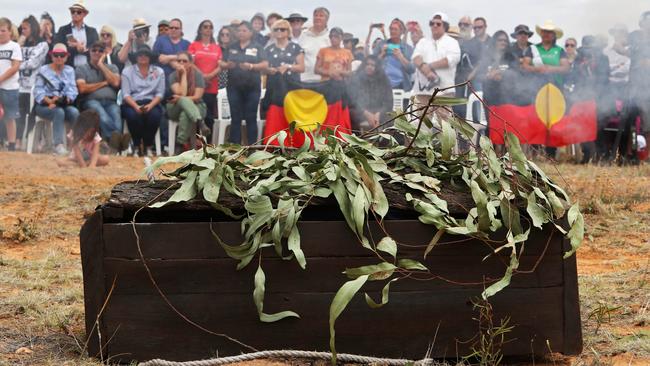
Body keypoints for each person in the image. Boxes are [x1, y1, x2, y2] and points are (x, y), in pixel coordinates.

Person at [522, 20, 570, 158]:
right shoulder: (532, 49)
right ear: (541, 34)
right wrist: (538, 70)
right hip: (536, 89)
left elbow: (566, 67)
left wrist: (550, 69)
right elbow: (525, 66)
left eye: (549, 32)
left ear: (554, 35)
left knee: (553, 119)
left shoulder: (560, 51)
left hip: (555, 89)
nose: (546, 34)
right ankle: (535, 151)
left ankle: (551, 153)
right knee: (535, 118)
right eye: (544, 31)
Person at [220, 21, 267, 145]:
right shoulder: (232, 46)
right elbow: (221, 63)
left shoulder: (257, 47)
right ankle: (234, 147)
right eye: (239, 30)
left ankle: (252, 148)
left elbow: (265, 64)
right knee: (235, 117)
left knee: (251, 117)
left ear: (251, 33)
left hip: (252, 87)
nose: (241, 33)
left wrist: (251, 66)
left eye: (244, 30)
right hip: (234, 87)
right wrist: (227, 65)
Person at [566, 35, 610, 163]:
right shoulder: (578, 60)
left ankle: (601, 156)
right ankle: (586, 155)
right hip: (582, 97)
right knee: (582, 127)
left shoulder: (603, 58)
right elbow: (574, 77)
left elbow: (604, 79)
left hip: (598, 98)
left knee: (599, 127)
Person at [411, 11, 461, 121]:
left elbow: (450, 60)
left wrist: (429, 66)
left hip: (444, 91)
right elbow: (416, 57)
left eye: (438, 24)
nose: (434, 26)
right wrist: (427, 71)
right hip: (423, 91)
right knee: (422, 123)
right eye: (432, 23)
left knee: (444, 125)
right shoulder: (422, 42)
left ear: (445, 26)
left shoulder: (452, 42)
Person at [33, 43, 79, 155]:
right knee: (58, 112)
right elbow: (37, 90)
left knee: (74, 112)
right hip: (44, 104)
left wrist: (66, 99)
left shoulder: (70, 70)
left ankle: (76, 145)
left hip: (62, 103)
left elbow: (73, 89)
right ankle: (58, 145)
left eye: (62, 55)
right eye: (56, 55)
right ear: (52, 56)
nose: (59, 57)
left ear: (67, 57)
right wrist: (49, 101)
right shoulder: (43, 70)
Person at [120, 45, 165, 156]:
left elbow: (160, 93)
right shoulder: (127, 71)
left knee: (155, 116)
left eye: (146, 55)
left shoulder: (159, 71)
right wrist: (136, 107)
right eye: (140, 55)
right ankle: (136, 145)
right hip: (132, 102)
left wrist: (150, 106)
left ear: (150, 57)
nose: (143, 57)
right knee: (133, 116)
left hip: (152, 102)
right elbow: (125, 94)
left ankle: (148, 146)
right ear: (135, 57)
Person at [75, 41, 123, 145]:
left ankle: (112, 145)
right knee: (103, 117)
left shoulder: (112, 67)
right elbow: (82, 89)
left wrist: (101, 65)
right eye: (94, 50)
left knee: (116, 117)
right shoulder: (81, 68)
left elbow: (115, 82)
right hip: (91, 101)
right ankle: (117, 142)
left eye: (100, 51)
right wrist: (104, 83)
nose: (97, 53)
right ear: (89, 52)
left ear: (104, 53)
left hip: (111, 102)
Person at [17, 15, 48, 150]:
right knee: (19, 114)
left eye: (25, 28)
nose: (22, 31)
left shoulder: (42, 44)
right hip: (18, 85)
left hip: (34, 86)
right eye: (21, 28)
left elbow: (33, 63)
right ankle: (17, 140)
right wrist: (18, 45)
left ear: (33, 28)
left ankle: (34, 141)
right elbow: (12, 59)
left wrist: (16, 66)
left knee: (32, 114)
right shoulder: (19, 45)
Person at [261, 19, 305, 116]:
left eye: (282, 29)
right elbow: (263, 68)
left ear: (288, 31)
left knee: (292, 117)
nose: (279, 32)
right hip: (274, 87)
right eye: (276, 29)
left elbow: (302, 68)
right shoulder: (268, 49)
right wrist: (269, 70)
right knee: (274, 116)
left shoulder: (296, 48)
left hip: (292, 86)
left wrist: (288, 66)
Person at [167, 51, 207, 151]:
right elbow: (182, 93)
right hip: (175, 108)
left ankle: (179, 145)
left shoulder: (197, 75)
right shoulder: (172, 76)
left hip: (197, 106)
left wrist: (180, 98)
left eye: (184, 61)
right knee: (182, 101)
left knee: (185, 114)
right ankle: (199, 122)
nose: (181, 63)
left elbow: (197, 96)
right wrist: (183, 74)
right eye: (179, 61)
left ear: (190, 63)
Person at [188, 20, 222, 140]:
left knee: (209, 116)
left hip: (211, 86)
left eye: (210, 27)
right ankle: (195, 144)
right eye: (205, 27)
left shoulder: (217, 48)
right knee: (197, 115)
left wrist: (210, 75)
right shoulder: (194, 45)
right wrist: (202, 76)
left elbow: (220, 65)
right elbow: (189, 63)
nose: (208, 29)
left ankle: (209, 145)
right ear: (200, 29)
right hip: (197, 85)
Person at [347, 55, 393, 134]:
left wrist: (379, 114)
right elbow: (352, 101)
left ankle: (385, 145)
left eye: (373, 65)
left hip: (379, 111)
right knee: (350, 114)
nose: (369, 67)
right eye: (367, 64)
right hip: (361, 112)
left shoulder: (383, 80)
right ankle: (356, 144)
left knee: (392, 118)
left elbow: (389, 102)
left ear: (377, 67)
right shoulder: (356, 79)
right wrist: (366, 113)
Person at [475, 30, 518, 108]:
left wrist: (502, 74)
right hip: (490, 98)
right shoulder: (487, 57)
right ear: (494, 41)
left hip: (508, 99)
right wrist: (488, 76)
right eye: (500, 40)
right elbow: (478, 76)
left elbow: (516, 73)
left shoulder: (511, 57)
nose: (503, 42)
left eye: (505, 40)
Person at [0, 18, 23, 151]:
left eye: (3, 30)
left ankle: (12, 144)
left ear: (10, 32)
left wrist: (1, 79)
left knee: (10, 117)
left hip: (10, 87)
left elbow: (15, 67)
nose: (0, 33)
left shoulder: (14, 46)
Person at [53, 2, 99, 67]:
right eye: (73, 12)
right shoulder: (63, 30)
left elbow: (97, 50)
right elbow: (58, 49)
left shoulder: (92, 31)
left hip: (89, 69)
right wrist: (76, 49)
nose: (75, 14)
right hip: (67, 69)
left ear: (84, 14)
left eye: (79, 12)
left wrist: (82, 48)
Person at [373, 18, 415, 90]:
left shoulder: (408, 48)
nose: (392, 31)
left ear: (401, 31)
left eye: (395, 29)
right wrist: (382, 54)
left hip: (402, 87)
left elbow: (412, 69)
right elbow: (371, 64)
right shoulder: (381, 44)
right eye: (391, 29)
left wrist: (400, 57)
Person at [628, 11, 650, 149]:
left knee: (648, 123)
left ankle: (647, 154)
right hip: (634, 86)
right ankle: (632, 151)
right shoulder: (634, 37)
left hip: (648, 88)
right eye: (646, 21)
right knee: (631, 124)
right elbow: (623, 47)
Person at [298, 7, 330, 82]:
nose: (318, 18)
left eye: (321, 16)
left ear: (327, 19)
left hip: (325, 81)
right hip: (305, 80)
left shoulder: (331, 36)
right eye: (316, 15)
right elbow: (297, 56)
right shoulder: (303, 35)